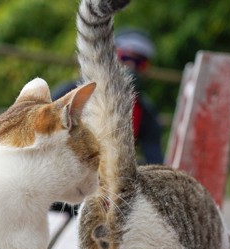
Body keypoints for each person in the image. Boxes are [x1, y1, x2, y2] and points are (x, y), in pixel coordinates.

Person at [52, 27, 164, 165]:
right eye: (124, 57)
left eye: (139, 62)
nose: (130, 65)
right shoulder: (71, 93)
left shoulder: (144, 113)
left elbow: (154, 160)